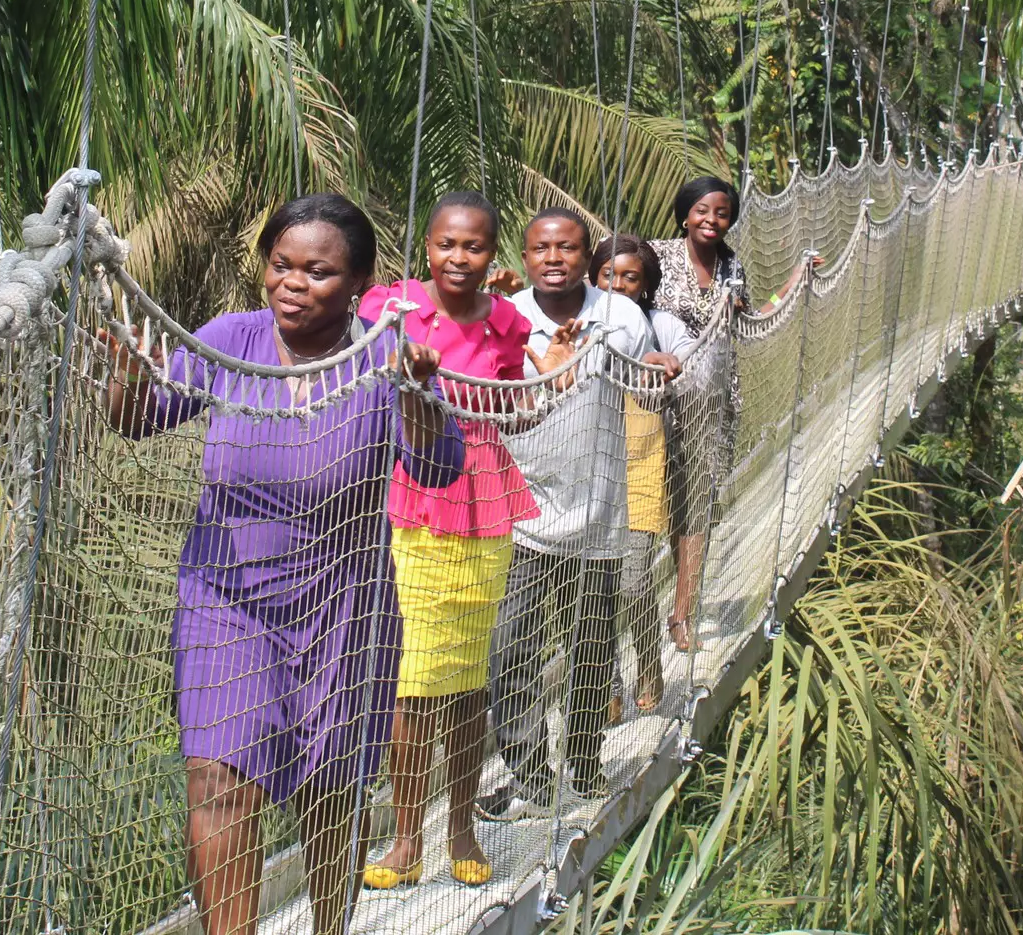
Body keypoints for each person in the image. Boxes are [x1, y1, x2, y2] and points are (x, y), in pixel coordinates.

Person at [102, 194, 460, 935]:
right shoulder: (229, 339)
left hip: (345, 603)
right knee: (218, 780)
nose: (292, 282)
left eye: (318, 271)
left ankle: (330, 924)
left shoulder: (383, 357)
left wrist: (417, 393)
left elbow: (439, 470)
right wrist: (129, 373)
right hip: (226, 597)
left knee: (331, 789)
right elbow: (137, 420)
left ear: (360, 282)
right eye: (281, 264)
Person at [355, 192, 535, 891]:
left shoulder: (507, 323)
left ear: (495, 254)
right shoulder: (390, 308)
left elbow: (514, 411)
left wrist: (554, 373)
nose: (459, 258)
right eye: (447, 244)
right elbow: (355, 377)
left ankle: (460, 826)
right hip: (410, 498)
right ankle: (407, 839)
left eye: (475, 246)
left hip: (484, 501)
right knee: (412, 682)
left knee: (467, 679)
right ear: (426, 246)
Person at [477, 208, 656, 820]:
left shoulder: (622, 317)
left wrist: (663, 367)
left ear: (588, 258)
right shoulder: (501, 317)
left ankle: (583, 767)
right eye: (540, 250)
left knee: (592, 650)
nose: (554, 259)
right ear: (524, 258)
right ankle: (529, 781)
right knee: (511, 649)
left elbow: (649, 386)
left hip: (599, 511)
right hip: (521, 511)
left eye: (568, 249)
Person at [588, 234, 690, 720]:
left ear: (646, 283)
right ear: (595, 277)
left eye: (631, 277)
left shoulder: (659, 325)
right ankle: (606, 684)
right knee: (593, 587)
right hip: (592, 468)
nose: (620, 285)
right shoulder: (583, 324)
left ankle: (648, 665)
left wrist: (669, 366)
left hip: (644, 463)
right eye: (610, 275)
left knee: (631, 583)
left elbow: (690, 360)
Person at [648, 177, 747, 653]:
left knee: (695, 502)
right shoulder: (655, 256)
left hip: (711, 401)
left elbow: (747, 323)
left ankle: (681, 613)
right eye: (703, 211)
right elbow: (617, 296)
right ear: (685, 214)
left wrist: (794, 284)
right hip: (652, 396)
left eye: (722, 213)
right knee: (656, 498)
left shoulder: (732, 266)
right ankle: (639, 630)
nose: (712, 220)